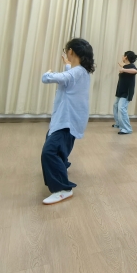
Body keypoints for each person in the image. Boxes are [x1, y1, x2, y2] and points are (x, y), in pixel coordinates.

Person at [40, 38, 94, 205]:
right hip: (67, 119)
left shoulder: (77, 72)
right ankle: (61, 167)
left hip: (68, 120)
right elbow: (70, 77)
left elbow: (50, 78)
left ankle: (63, 189)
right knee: (55, 143)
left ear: (71, 51)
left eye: (66, 50)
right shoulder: (81, 71)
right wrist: (67, 65)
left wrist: (47, 73)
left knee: (49, 151)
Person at [112, 51, 137, 134]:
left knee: (121, 108)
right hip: (120, 91)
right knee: (115, 106)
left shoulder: (131, 66)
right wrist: (123, 67)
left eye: (123, 56)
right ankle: (119, 123)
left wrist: (123, 69)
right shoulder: (126, 66)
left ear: (126, 57)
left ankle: (127, 128)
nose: (122, 57)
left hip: (126, 92)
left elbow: (135, 71)